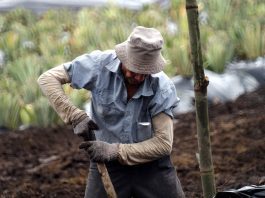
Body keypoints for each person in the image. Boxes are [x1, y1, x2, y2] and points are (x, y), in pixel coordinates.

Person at [38, 26, 185, 198]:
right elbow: (48, 79)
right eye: (134, 70)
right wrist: (74, 115)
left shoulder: (162, 87)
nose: (138, 77)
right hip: (107, 165)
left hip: (152, 167)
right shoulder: (99, 66)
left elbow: (163, 144)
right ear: (123, 58)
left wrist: (116, 151)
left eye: (144, 72)